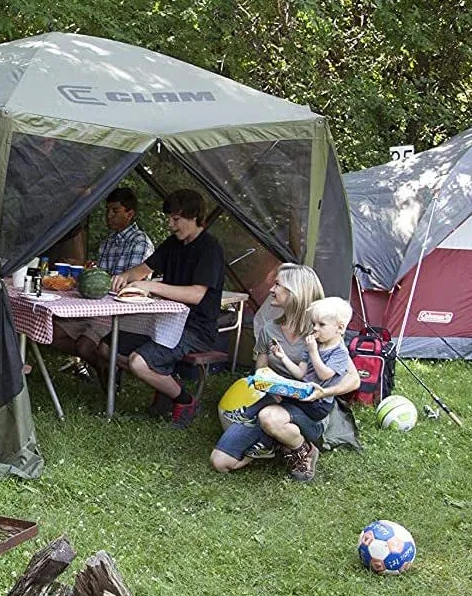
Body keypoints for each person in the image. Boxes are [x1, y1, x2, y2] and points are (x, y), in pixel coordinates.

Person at [211, 266, 359, 483]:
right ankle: (272, 442)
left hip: (308, 410)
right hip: (272, 401)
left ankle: (304, 449)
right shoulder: (269, 329)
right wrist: (269, 384)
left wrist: (324, 392)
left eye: (278, 284)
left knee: (269, 417)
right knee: (220, 462)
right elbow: (260, 369)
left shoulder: (320, 331)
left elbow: (354, 379)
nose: (271, 289)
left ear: (295, 292)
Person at [106, 188, 226, 425]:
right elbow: (143, 269)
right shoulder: (173, 244)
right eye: (169, 218)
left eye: (176, 219)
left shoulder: (209, 249)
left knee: (138, 362)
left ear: (194, 217)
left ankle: (185, 400)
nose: (171, 224)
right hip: (166, 321)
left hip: (196, 329)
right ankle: (163, 383)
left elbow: (196, 294)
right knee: (106, 348)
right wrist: (125, 276)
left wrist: (152, 287)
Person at [50, 187, 155, 369]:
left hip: (121, 313)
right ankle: (105, 366)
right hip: (98, 308)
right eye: (107, 210)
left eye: (115, 211)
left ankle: (108, 379)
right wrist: (86, 269)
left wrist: (100, 278)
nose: (109, 215)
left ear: (130, 214)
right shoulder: (108, 243)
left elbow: (129, 285)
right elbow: (100, 278)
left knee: (85, 345)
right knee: (52, 333)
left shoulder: (140, 242)